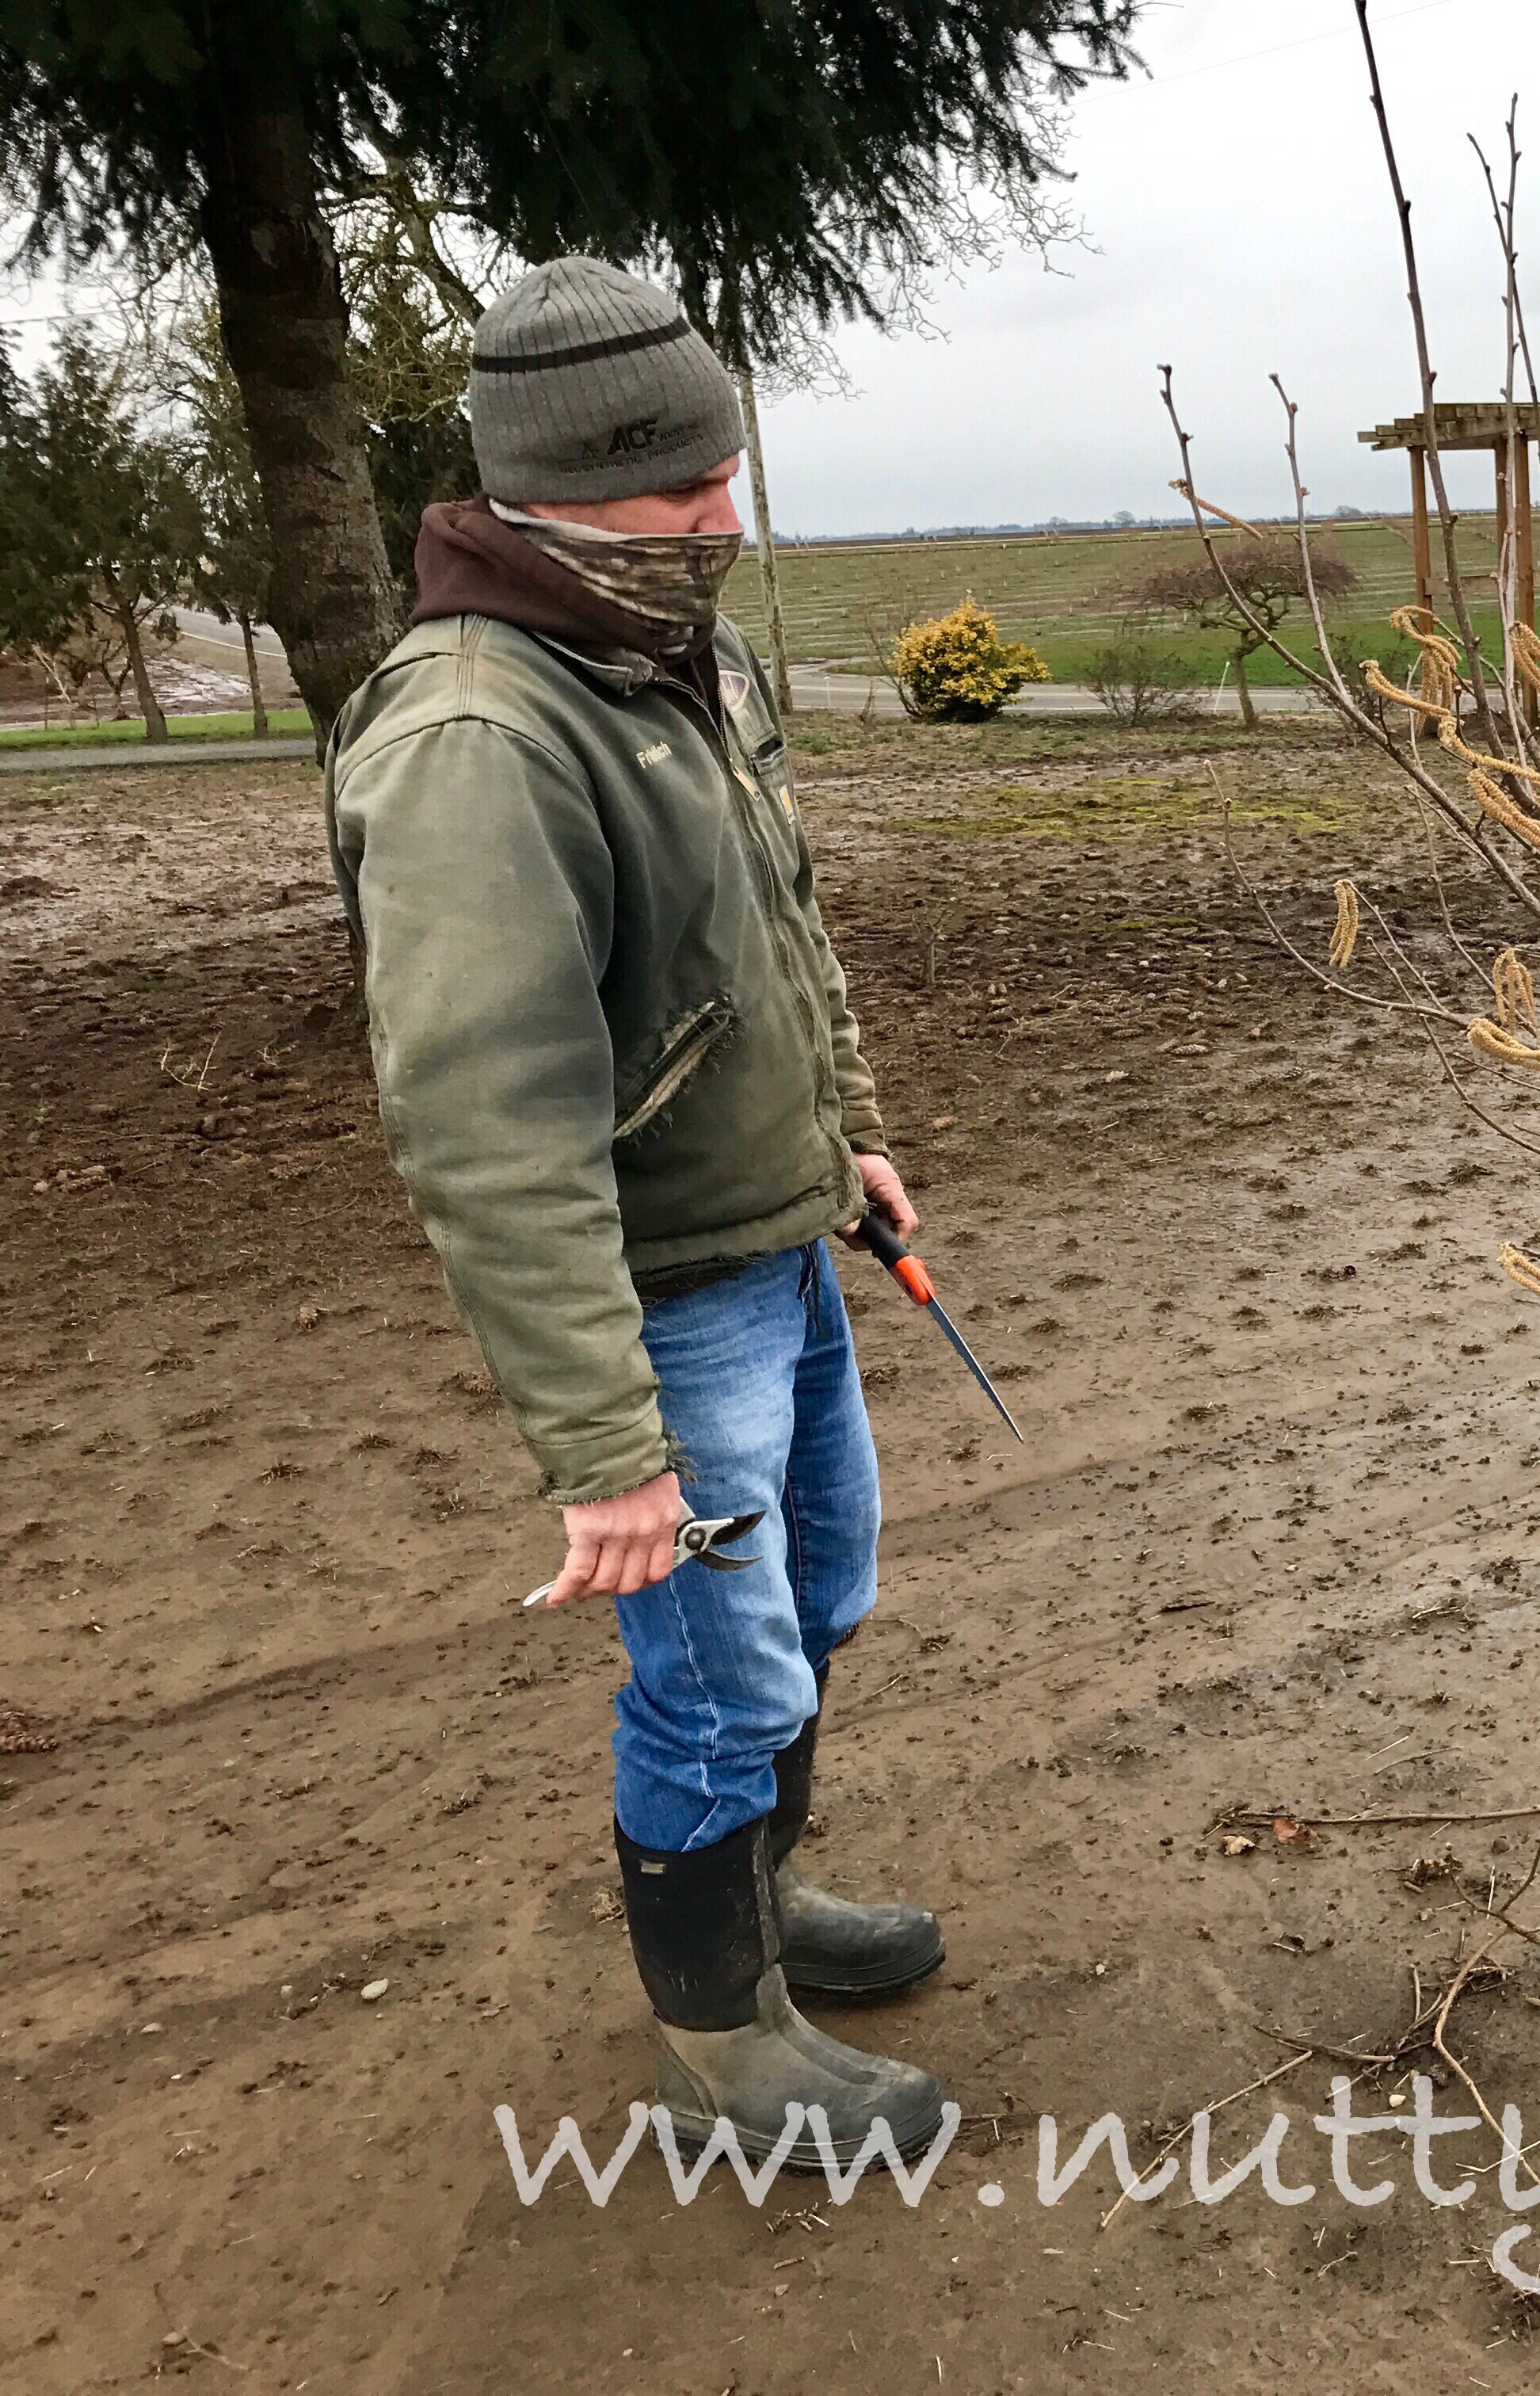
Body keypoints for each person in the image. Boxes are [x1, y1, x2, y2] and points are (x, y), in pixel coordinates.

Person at [325, 258, 948, 2158]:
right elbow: (487, 1131)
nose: (722, 514)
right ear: (563, 486)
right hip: (662, 1300)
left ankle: (765, 1901)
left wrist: (847, 1129)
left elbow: (780, 927)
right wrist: (606, 1457)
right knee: (710, 1674)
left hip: (779, 1243)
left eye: (726, 467)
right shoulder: (476, 739)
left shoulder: (685, 659)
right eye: (683, 486)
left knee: (818, 1594)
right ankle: (721, 2038)